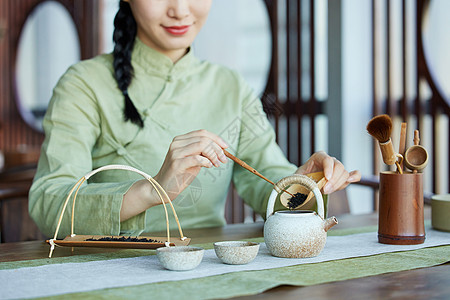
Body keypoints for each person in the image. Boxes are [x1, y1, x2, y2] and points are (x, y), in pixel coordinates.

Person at [29, 0, 361, 238]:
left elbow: (268, 181)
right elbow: (48, 203)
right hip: (111, 269)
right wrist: (152, 190)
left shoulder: (230, 86)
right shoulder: (83, 84)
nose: (180, 9)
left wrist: (303, 183)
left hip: (210, 265)